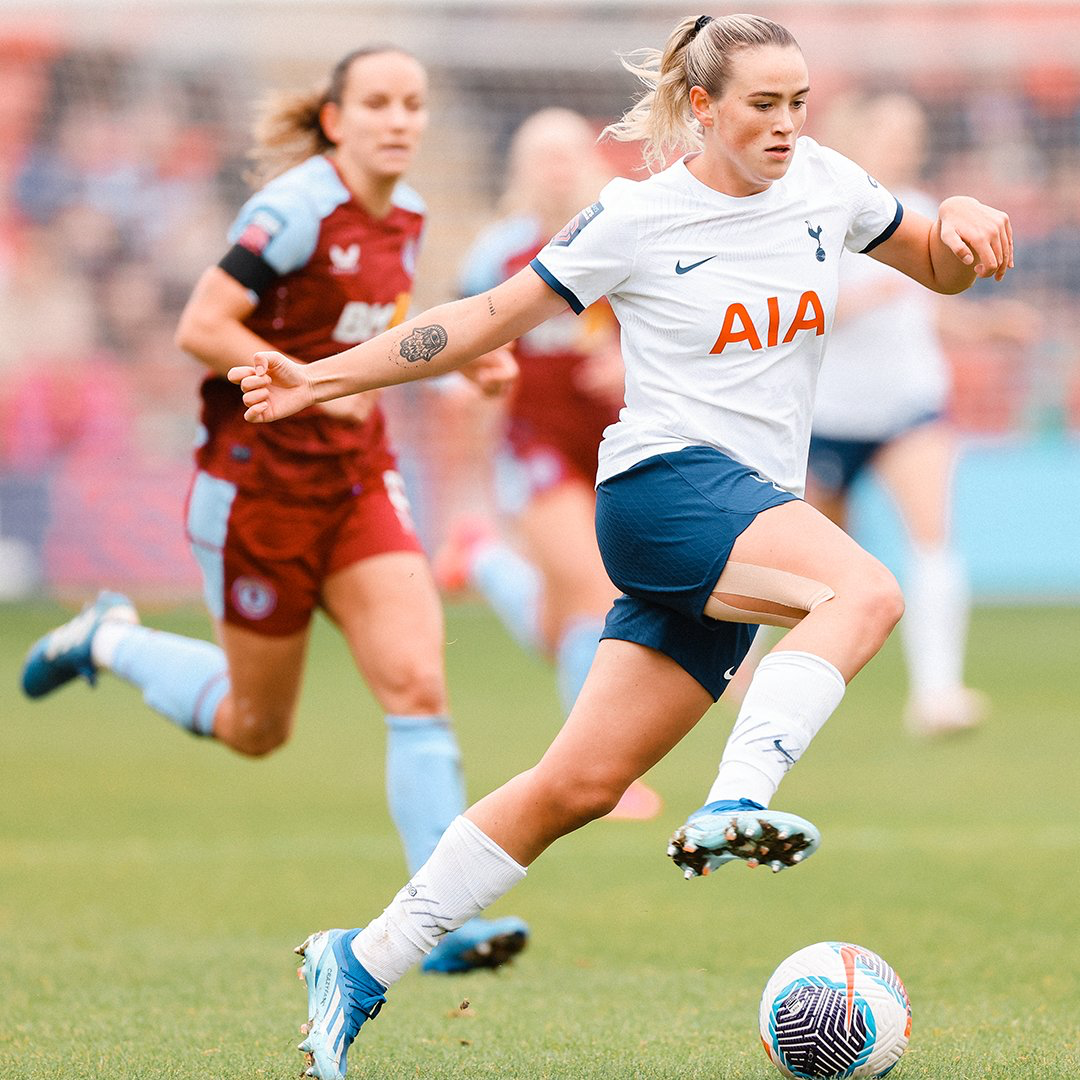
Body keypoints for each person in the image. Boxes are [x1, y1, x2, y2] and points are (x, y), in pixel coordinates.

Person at [228, 15, 1012, 1078]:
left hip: (741, 508)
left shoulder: (828, 183)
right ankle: (739, 800)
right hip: (662, 491)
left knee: (575, 786)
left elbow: (942, 270)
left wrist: (959, 226)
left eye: (798, 103)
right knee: (863, 592)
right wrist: (322, 374)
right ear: (703, 108)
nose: (786, 125)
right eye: (762, 105)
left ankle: (359, 963)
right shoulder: (640, 217)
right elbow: (488, 316)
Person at [19, 45, 527, 976]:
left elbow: (373, 335)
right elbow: (200, 327)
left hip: (357, 479)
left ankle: (440, 921)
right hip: (260, 490)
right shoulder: (294, 206)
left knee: (416, 682)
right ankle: (108, 640)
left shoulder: (407, 213)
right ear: (335, 119)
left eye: (413, 103)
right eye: (377, 102)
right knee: (258, 728)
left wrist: (467, 355)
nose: (400, 119)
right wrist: (300, 382)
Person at [440, 107, 661, 820]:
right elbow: (463, 369)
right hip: (535, 451)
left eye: (568, 150)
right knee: (600, 598)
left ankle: (485, 564)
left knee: (561, 626)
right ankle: (600, 775)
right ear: (521, 170)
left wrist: (628, 363)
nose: (557, 164)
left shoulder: (627, 233)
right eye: (541, 154)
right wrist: (467, 484)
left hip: (620, 447)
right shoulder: (496, 256)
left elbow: (674, 340)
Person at [804, 92, 1000, 735]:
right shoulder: (818, 213)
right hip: (828, 418)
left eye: (914, 132)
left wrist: (990, 326)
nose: (905, 143)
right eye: (893, 131)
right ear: (859, 135)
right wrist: (870, 296)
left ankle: (938, 693)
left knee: (933, 536)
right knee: (811, 574)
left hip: (909, 408)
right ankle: (756, 684)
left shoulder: (917, 211)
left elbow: (928, 302)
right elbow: (798, 317)